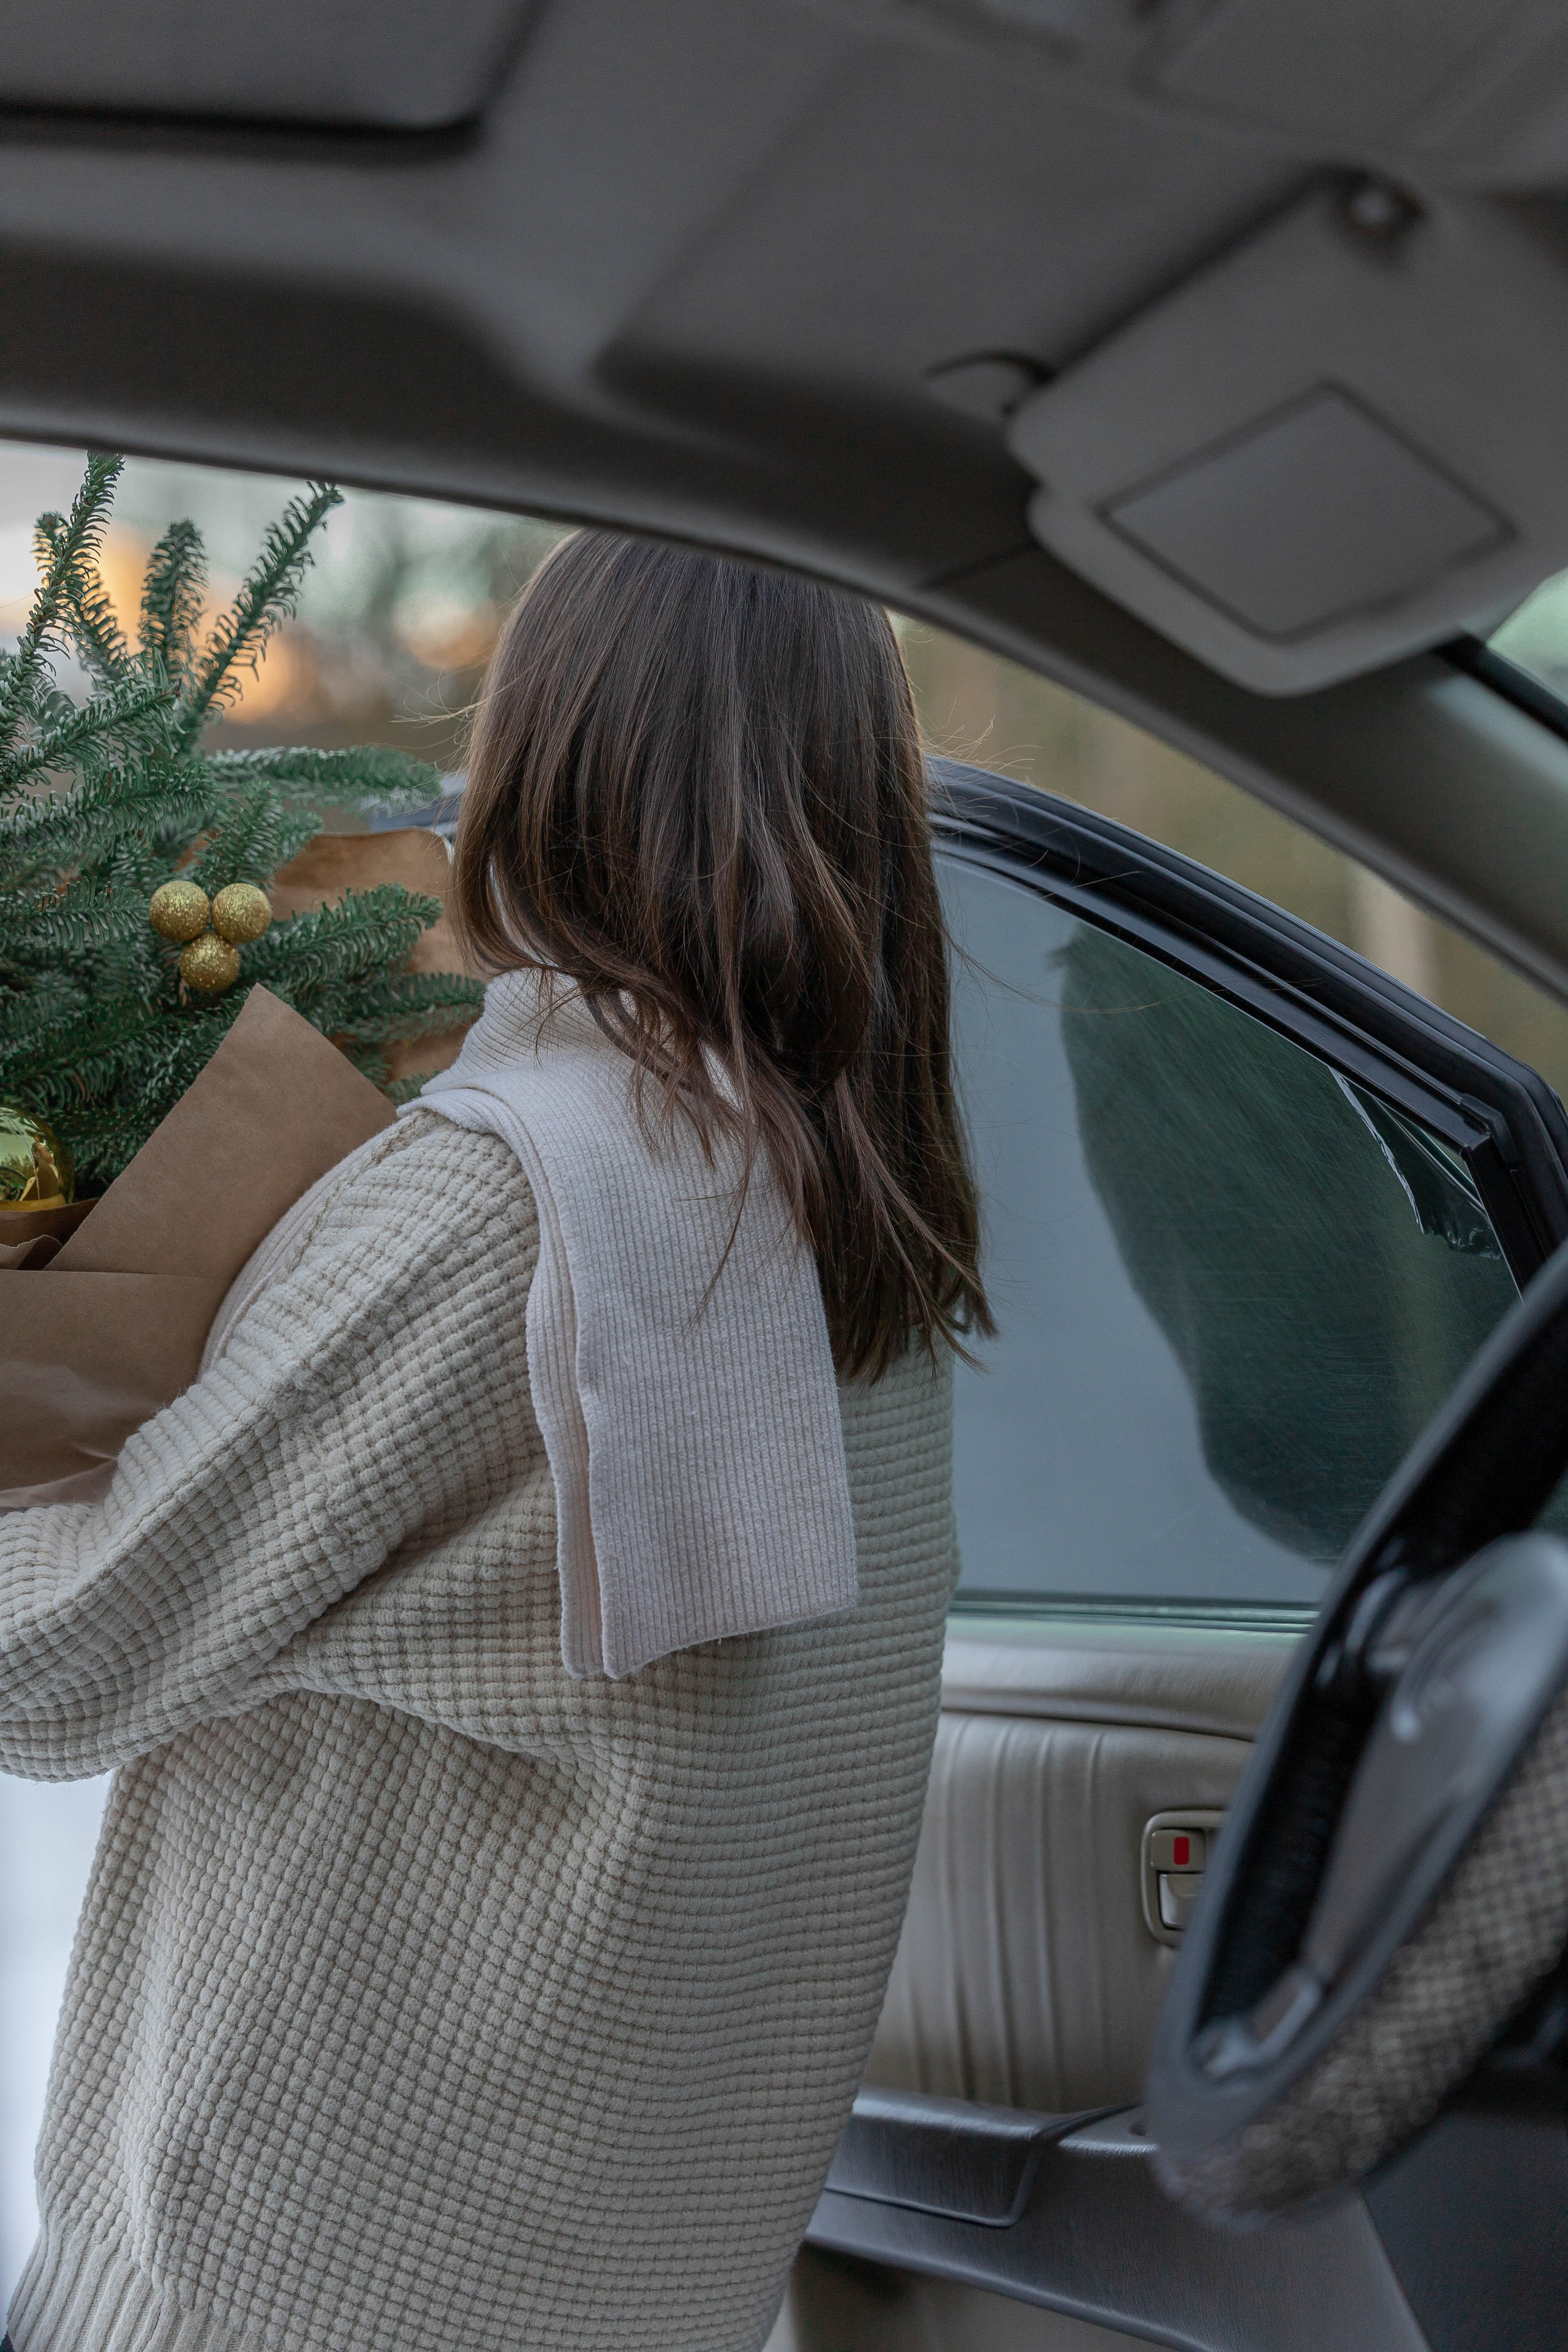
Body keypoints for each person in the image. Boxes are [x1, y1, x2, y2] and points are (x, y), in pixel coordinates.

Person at [0, 533, 989, 2352]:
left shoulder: (496, 1201)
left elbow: (51, 1664)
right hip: (638, 2285)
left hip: (295, 2286)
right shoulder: (868, 1227)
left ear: (554, 747)